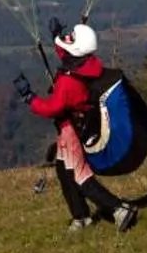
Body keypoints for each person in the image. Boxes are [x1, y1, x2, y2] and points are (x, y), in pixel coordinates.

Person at [15, 21, 138, 234]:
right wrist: (56, 36)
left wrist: (30, 98)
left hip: (72, 130)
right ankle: (80, 217)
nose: (67, 38)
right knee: (64, 171)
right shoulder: (84, 65)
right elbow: (66, 53)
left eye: (71, 37)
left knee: (80, 176)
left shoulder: (69, 82)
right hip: (71, 128)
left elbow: (52, 108)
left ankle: (119, 209)